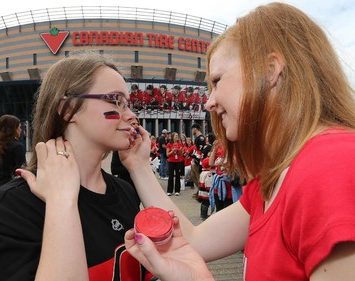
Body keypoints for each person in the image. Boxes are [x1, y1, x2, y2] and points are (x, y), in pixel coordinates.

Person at [123, 3, 355, 280]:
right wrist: (137, 165)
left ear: (271, 71)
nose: (208, 102)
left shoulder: (331, 165)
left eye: (217, 81)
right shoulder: (274, 182)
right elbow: (193, 240)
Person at [0, 52, 155, 280]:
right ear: (68, 109)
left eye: (128, 104)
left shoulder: (126, 192)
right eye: (115, 101)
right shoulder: (10, 209)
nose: (132, 115)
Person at [0, 114, 26, 188]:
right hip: (14, 187)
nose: (20, 129)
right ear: (13, 129)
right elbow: (22, 170)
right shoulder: (18, 147)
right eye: (19, 127)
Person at [111, 117, 140, 189]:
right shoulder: (119, 147)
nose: (136, 126)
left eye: (137, 124)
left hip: (139, 184)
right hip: (125, 185)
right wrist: (131, 166)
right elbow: (114, 170)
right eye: (133, 124)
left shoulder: (140, 145)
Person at [166, 132, 184, 196]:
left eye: (177, 135)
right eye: (176, 135)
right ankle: (169, 191)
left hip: (178, 161)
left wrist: (179, 150)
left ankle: (177, 190)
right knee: (170, 176)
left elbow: (181, 154)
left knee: (178, 176)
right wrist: (172, 151)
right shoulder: (169, 144)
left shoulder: (180, 144)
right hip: (171, 161)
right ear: (173, 137)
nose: (177, 137)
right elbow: (167, 154)